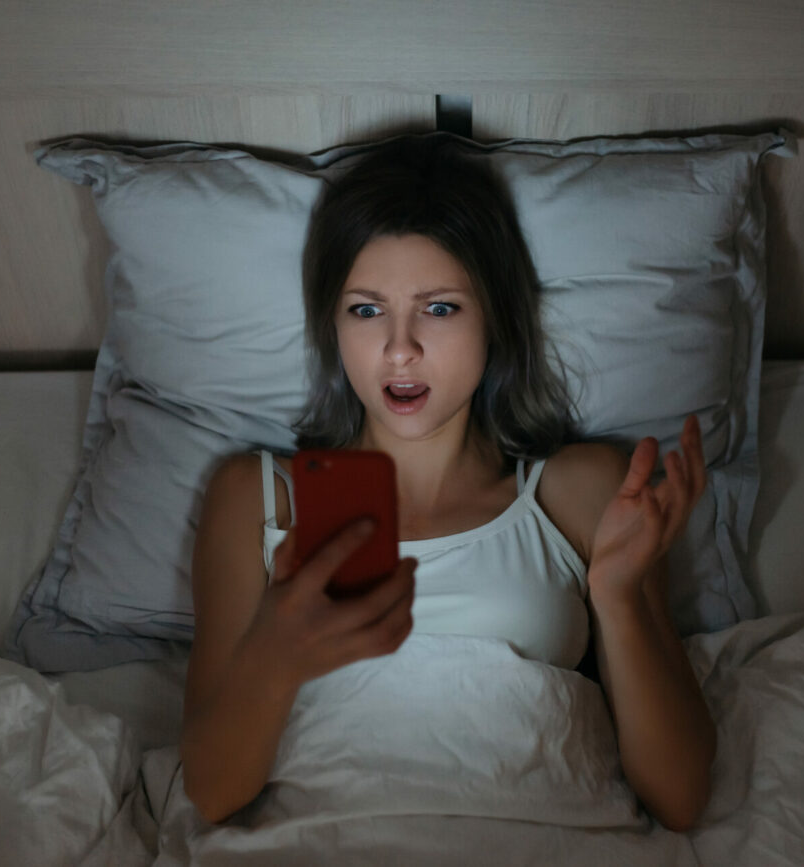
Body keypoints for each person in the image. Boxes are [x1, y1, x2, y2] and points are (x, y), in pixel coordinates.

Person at [179, 134, 717, 832]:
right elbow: (212, 792)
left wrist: (618, 598)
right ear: (332, 325)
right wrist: (274, 657)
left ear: (494, 316)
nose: (400, 348)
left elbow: (680, 797)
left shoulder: (580, 491)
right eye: (366, 310)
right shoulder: (255, 497)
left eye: (440, 308)